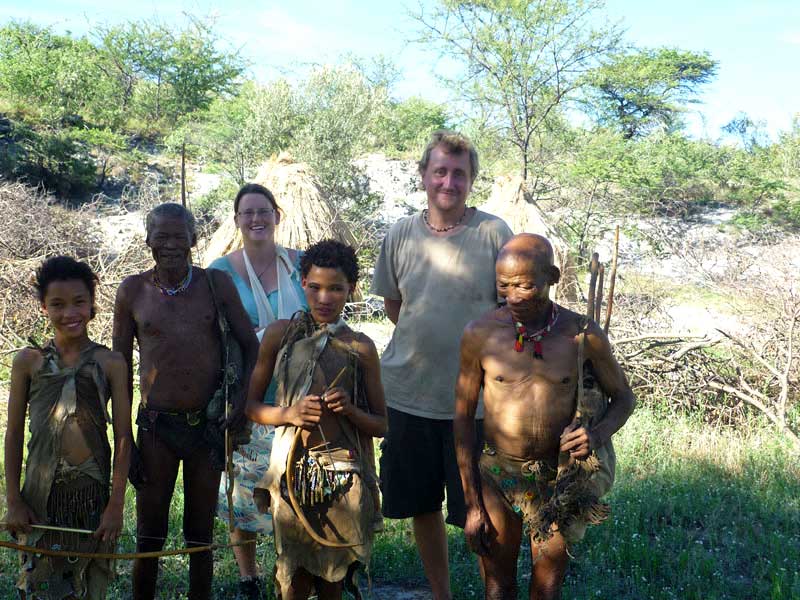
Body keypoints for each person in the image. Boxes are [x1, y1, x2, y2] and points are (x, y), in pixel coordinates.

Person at [370, 129, 513, 599]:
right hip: (409, 394)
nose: (448, 181)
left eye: (459, 173)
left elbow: (511, 312)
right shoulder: (399, 234)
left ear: (471, 180)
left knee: (484, 508)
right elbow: (396, 306)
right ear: (423, 175)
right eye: (440, 171)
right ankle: (441, 594)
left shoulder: (493, 233)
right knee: (422, 505)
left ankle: (493, 591)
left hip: (477, 404)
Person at [454, 234, 636, 600]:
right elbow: (460, 419)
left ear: (552, 277)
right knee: (497, 586)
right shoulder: (480, 333)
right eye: (504, 286)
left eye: (526, 285)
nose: (515, 296)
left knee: (547, 587)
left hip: (559, 477)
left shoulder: (581, 334)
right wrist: (471, 502)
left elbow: (624, 398)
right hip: (497, 473)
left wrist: (595, 435)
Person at [112, 203, 259, 600]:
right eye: (161, 237)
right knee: (149, 536)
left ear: (194, 240)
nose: (171, 245)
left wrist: (240, 403)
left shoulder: (215, 285)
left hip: (206, 428)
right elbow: (119, 372)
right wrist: (125, 446)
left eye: (180, 236)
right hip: (156, 428)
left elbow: (251, 345)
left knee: (200, 536)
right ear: (148, 241)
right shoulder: (132, 291)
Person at [246, 239, 387, 600]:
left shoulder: (361, 347)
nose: (325, 298)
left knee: (332, 581)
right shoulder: (280, 335)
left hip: (344, 478)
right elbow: (250, 406)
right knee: (293, 581)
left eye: (336, 288)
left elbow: (381, 424)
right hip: (292, 478)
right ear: (302, 283)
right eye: (315, 287)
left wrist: (351, 411)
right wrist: (288, 414)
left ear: (350, 289)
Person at [4, 256, 132, 599]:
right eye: (57, 304)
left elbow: (122, 438)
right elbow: (14, 433)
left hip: (91, 493)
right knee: (42, 582)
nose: (69, 312)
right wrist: (13, 500)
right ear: (44, 307)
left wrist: (115, 505)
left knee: (89, 583)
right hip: (40, 498)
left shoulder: (112, 363)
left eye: (79, 302)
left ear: (92, 305)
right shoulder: (27, 362)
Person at [208, 183, 307, 599]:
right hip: (248, 389)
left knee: (298, 486)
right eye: (247, 213)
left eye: (263, 211)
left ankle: (296, 568)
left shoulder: (299, 264)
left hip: (301, 391)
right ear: (236, 220)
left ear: (277, 215)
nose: (256, 219)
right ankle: (248, 576)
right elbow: (213, 333)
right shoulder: (221, 271)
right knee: (244, 488)